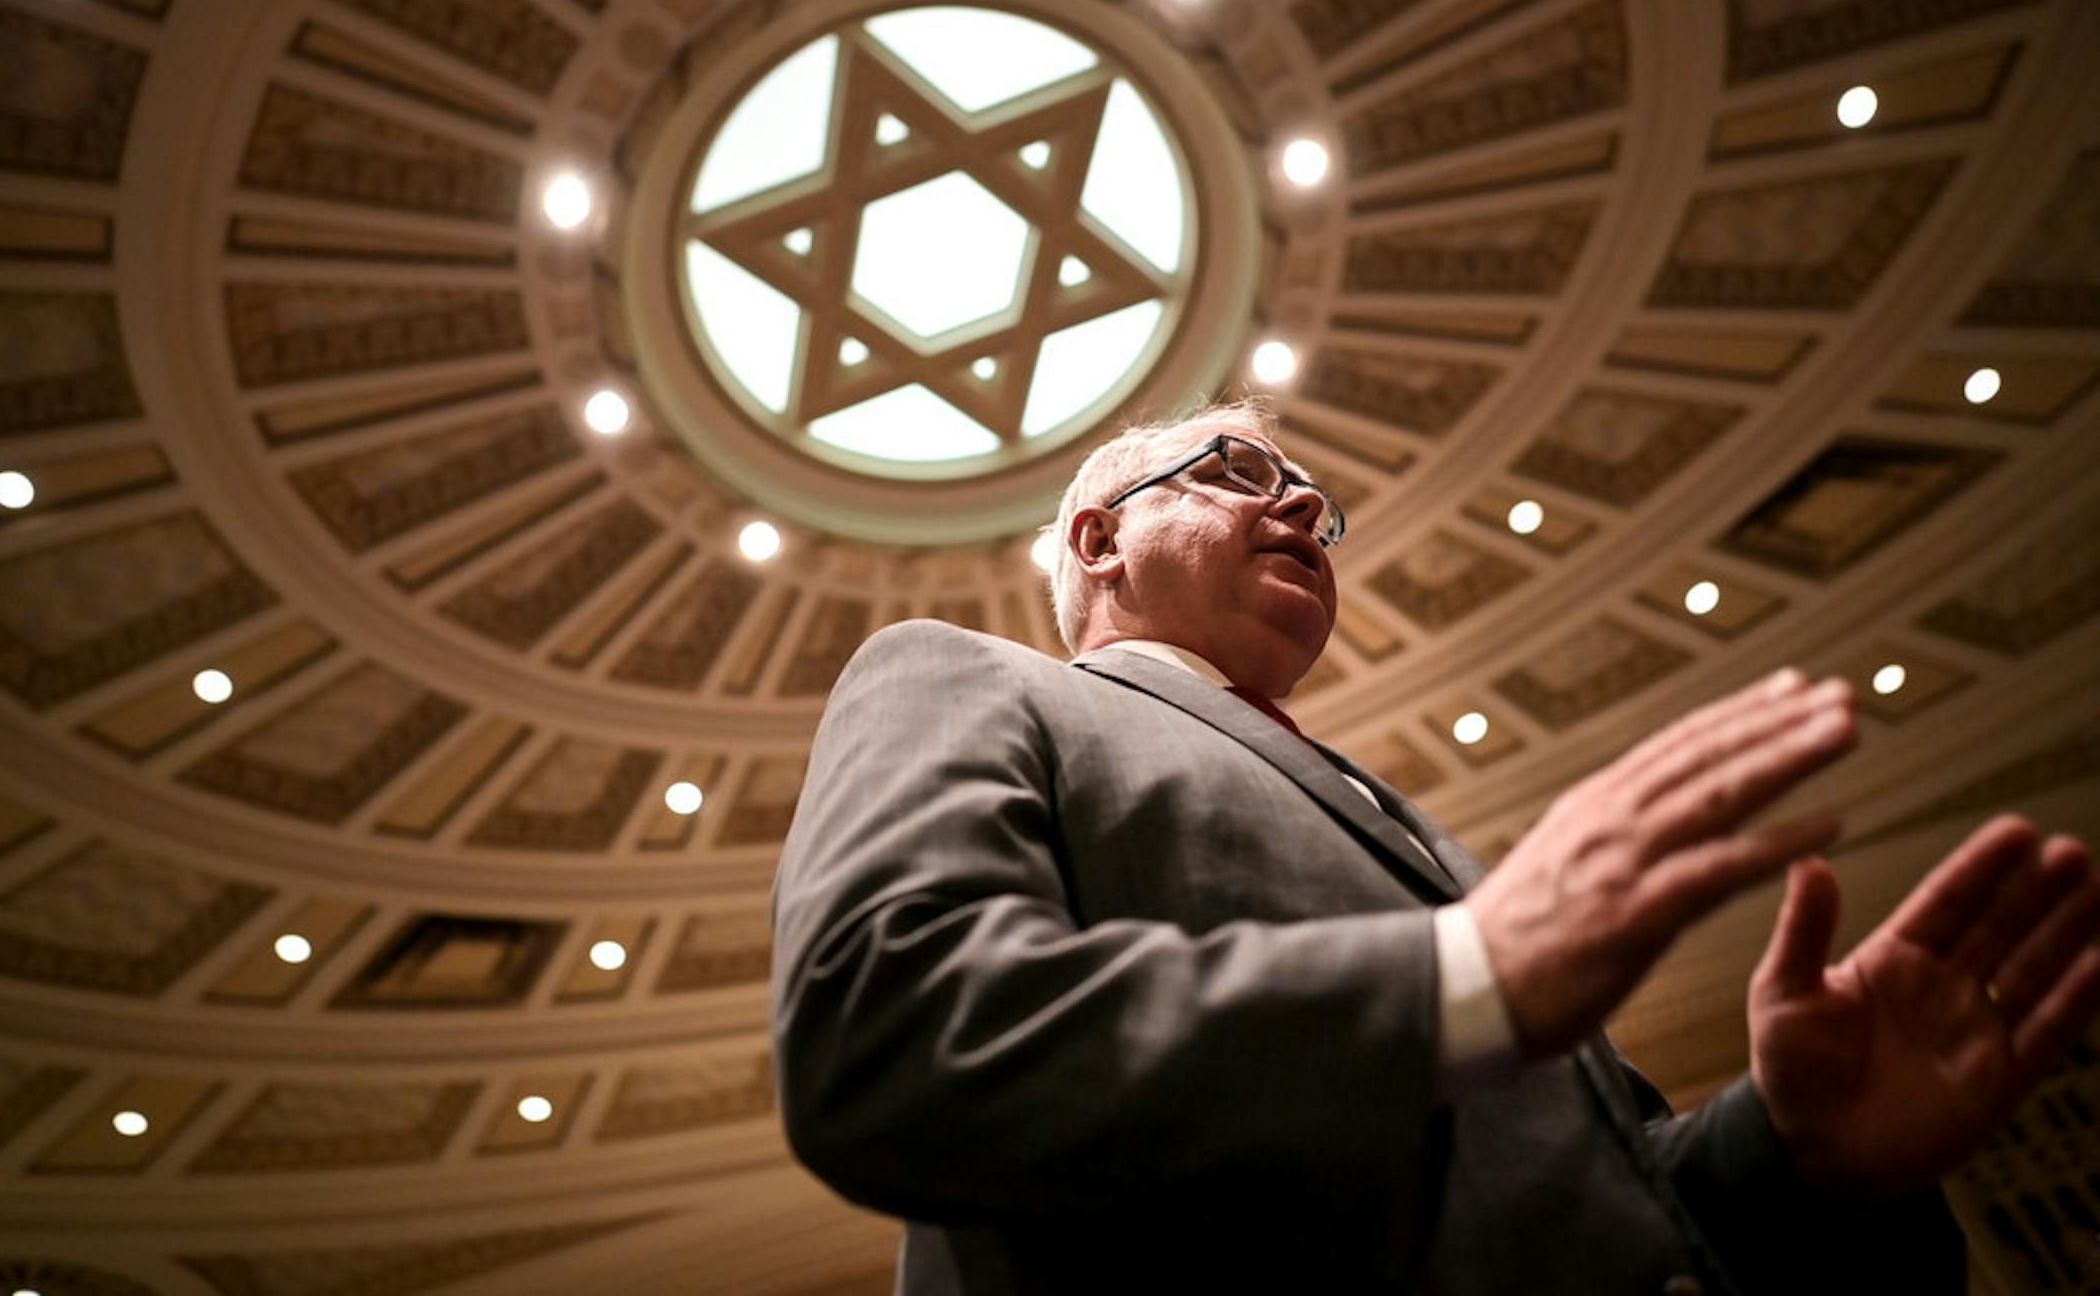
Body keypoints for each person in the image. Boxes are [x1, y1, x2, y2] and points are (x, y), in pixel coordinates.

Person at [770, 401, 2100, 1294]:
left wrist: (1796, 1146)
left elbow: (1603, 1195)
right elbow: (890, 1032)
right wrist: (1463, 986)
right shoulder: (968, 680)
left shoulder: (1441, 852)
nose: (1298, 505)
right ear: (1096, 538)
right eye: (1238, 473)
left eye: (1311, 495)